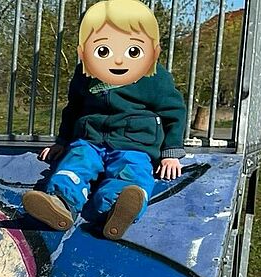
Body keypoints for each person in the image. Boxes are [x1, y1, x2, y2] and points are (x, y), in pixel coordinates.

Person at [22, 0, 186, 240]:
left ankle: (116, 209)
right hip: (89, 139)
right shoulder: (86, 72)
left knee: (132, 172)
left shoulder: (153, 75)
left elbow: (174, 111)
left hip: (135, 142)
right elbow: (74, 108)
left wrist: (170, 153)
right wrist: (63, 141)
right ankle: (61, 203)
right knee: (75, 164)